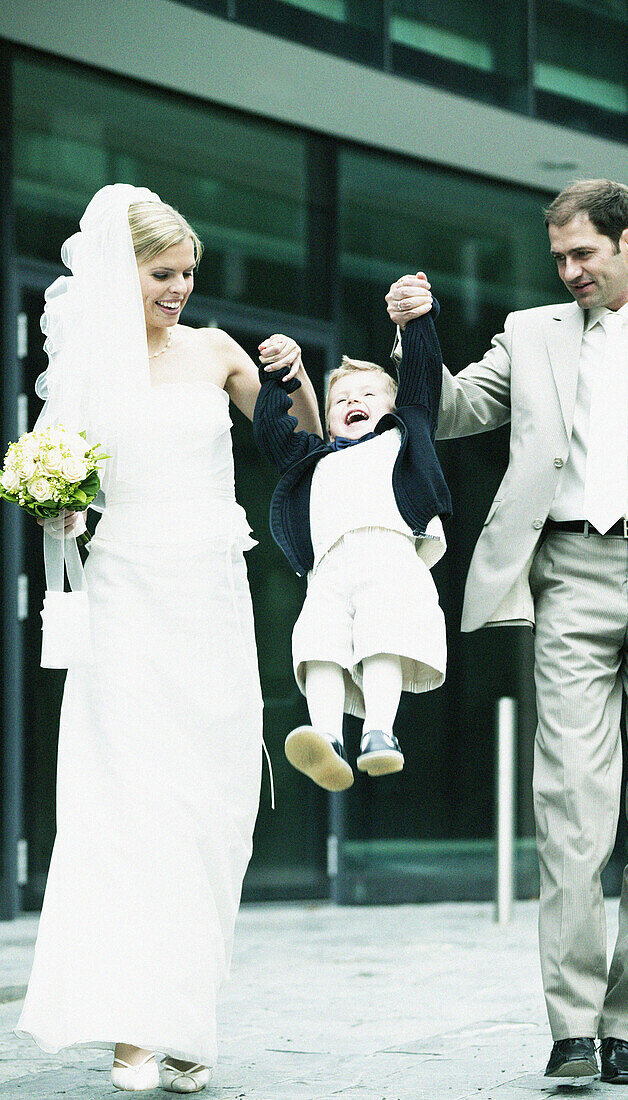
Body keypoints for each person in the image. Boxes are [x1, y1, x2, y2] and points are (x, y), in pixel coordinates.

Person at [387, 180, 628, 1086]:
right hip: (567, 578)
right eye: (559, 258)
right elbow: (450, 411)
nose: (569, 272)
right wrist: (416, 334)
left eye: (584, 255)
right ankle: (573, 1026)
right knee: (569, 811)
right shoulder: (530, 335)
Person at [15, 184, 321, 1093]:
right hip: (124, 601)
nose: (180, 287)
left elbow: (296, 448)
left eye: (188, 272)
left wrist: (297, 379)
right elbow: (55, 482)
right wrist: (58, 506)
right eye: (163, 272)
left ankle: (187, 1016)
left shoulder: (216, 352)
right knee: (126, 807)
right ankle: (133, 1033)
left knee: (211, 808)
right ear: (123, 271)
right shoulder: (87, 366)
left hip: (210, 600)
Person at [252, 301, 451, 790]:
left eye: (367, 394)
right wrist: (281, 378)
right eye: (339, 399)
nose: (351, 402)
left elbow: (423, 379)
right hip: (330, 570)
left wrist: (416, 321)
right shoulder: (313, 459)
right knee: (318, 645)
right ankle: (326, 740)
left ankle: (380, 732)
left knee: (383, 638)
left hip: (390, 560)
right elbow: (271, 433)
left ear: (391, 407)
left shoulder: (403, 439)